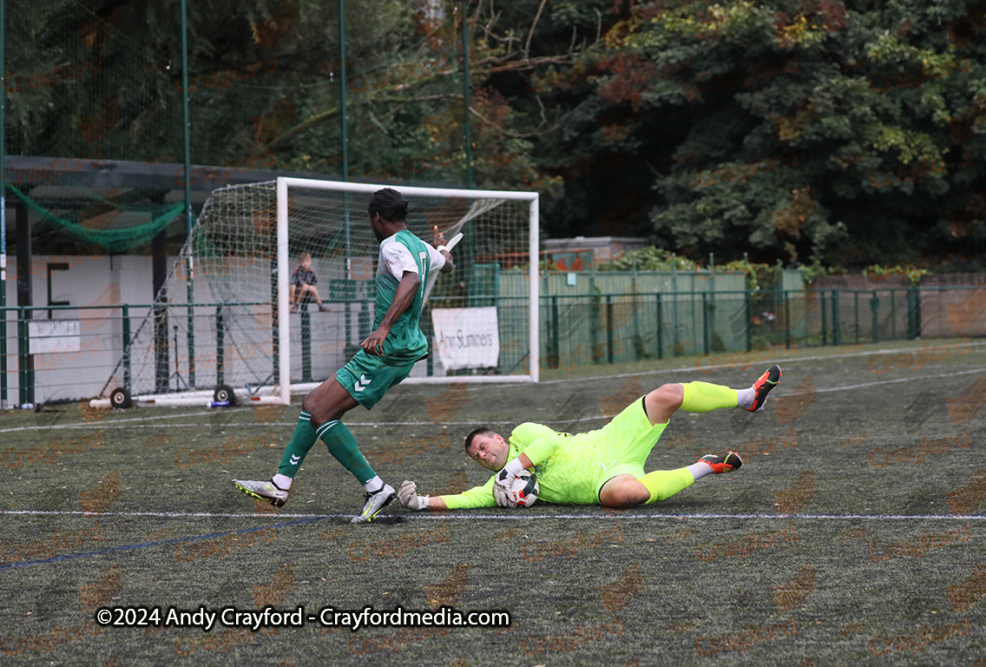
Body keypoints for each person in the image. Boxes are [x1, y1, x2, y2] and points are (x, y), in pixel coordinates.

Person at [235, 188, 454, 522]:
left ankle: (376, 488)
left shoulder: (392, 245)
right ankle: (280, 483)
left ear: (377, 217)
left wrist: (383, 327)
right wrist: (440, 246)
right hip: (396, 349)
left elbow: (410, 280)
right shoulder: (420, 246)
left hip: (387, 350)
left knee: (322, 413)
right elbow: (447, 263)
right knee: (312, 404)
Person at [398, 366, 782, 511]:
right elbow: (466, 500)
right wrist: (420, 503)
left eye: (482, 447)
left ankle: (749, 398)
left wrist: (512, 468)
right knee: (627, 497)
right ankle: (705, 465)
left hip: (608, 440)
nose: (482, 456)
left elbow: (547, 444)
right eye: (476, 458)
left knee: (669, 393)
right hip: (603, 483)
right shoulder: (498, 486)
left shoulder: (524, 435)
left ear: (498, 438)